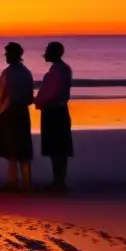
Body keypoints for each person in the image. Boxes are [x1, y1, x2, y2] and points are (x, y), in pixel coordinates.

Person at [0, 42, 34, 191]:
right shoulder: (26, 72)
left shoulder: (9, 73)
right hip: (22, 110)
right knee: (23, 146)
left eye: (8, 54)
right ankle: (26, 181)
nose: (6, 57)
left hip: (9, 112)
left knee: (11, 147)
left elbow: (3, 95)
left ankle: (13, 181)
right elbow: (29, 95)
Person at [35, 41, 74, 192]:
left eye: (47, 50)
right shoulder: (61, 69)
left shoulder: (58, 71)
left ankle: (59, 182)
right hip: (56, 110)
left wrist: (40, 101)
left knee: (56, 147)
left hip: (54, 111)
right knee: (58, 148)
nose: (45, 53)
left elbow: (52, 93)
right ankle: (58, 180)